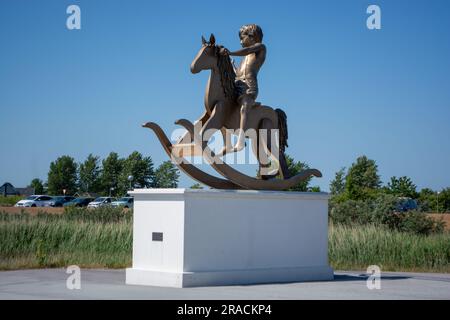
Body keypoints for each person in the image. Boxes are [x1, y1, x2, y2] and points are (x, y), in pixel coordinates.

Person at [220, 24, 266, 152]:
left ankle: (240, 141)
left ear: (251, 37)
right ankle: (227, 143)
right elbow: (238, 73)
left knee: (244, 108)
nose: (241, 42)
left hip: (249, 88)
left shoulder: (260, 48)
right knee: (222, 107)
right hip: (238, 86)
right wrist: (231, 65)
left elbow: (247, 50)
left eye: (242, 38)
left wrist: (231, 52)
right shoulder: (245, 58)